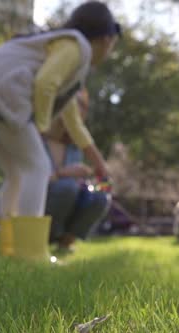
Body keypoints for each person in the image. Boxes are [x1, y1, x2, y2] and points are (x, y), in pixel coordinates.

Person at [0, 2, 120, 261]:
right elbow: (46, 83)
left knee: (16, 174)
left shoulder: (65, 52)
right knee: (37, 168)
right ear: (106, 38)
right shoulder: (77, 46)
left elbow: (73, 122)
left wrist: (99, 165)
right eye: (113, 44)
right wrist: (41, 127)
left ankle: (9, 249)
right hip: (2, 93)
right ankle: (31, 254)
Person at [44, 89, 111, 252]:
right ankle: (43, 239)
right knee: (67, 187)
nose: (76, 107)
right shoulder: (38, 138)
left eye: (81, 104)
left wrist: (99, 183)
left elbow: (104, 184)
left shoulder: (77, 147)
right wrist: (61, 174)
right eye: (73, 101)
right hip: (42, 201)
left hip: (69, 198)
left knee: (101, 196)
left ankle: (66, 242)